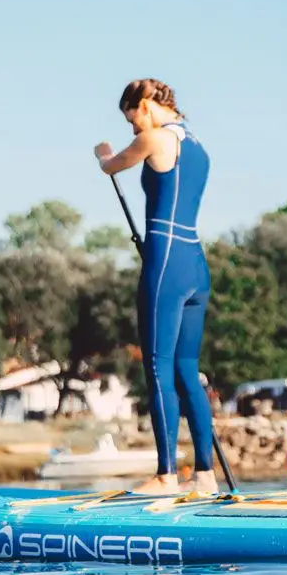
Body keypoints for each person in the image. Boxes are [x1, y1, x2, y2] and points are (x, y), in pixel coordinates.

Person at [95, 78, 219, 496]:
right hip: (196, 264)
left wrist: (103, 153)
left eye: (132, 119)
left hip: (165, 261)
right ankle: (205, 475)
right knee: (187, 370)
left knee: (157, 365)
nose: (134, 128)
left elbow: (112, 166)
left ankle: (166, 476)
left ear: (145, 105)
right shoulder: (198, 147)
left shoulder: (154, 138)